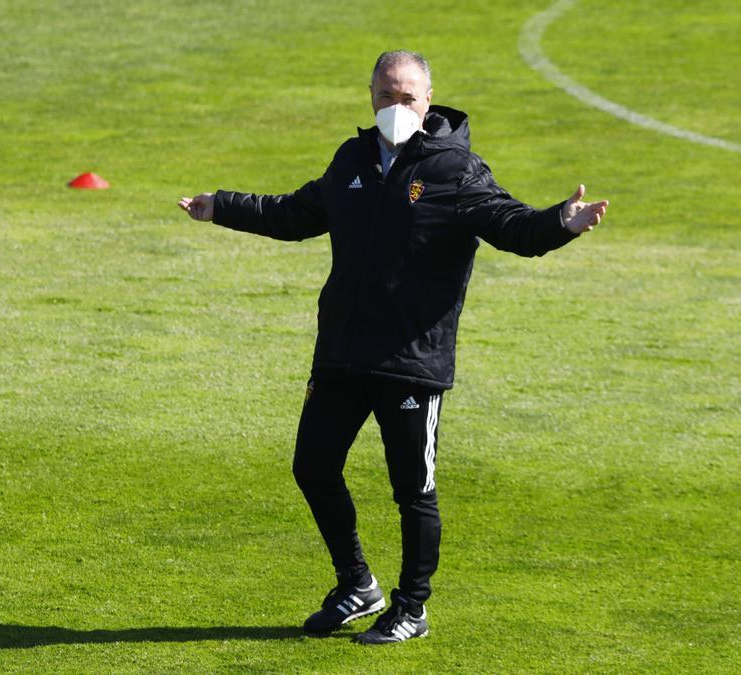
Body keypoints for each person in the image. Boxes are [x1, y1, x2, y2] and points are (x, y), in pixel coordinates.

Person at [178, 50, 607, 645]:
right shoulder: (352, 158)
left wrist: (561, 221)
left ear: (428, 100)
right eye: (386, 96)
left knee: (412, 490)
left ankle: (411, 607)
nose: (396, 107)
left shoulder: (457, 169)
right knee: (313, 466)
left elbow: (512, 227)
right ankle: (357, 584)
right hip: (343, 352)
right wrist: (221, 206)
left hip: (411, 360)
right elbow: (299, 212)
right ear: (371, 97)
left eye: (408, 97)